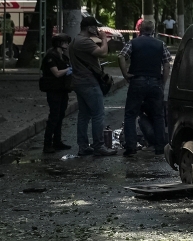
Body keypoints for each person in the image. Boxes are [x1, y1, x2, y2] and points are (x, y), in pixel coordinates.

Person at [117, 19, 171, 157]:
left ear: (139, 30)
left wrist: (125, 74)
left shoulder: (133, 43)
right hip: (154, 82)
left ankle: (131, 147)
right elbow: (166, 65)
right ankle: (160, 147)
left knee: (130, 115)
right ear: (153, 30)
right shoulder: (160, 44)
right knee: (158, 115)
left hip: (137, 81)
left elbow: (122, 56)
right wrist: (163, 82)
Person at [69, 16, 117, 157]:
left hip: (79, 81)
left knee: (84, 115)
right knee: (98, 114)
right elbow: (103, 53)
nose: (97, 29)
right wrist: (103, 39)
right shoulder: (84, 41)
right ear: (89, 28)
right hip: (88, 82)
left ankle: (83, 146)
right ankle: (99, 146)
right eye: (95, 27)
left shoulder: (75, 41)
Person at [40, 34, 74, 153]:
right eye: (64, 42)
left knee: (60, 116)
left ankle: (57, 142)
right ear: (58, 43)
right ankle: (47, 144)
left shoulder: (63, 57)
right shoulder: (51, 56)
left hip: (62, 89)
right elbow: (56, 73)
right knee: (54, 117)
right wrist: (68, 70)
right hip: (53, 90)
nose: (66, 44)